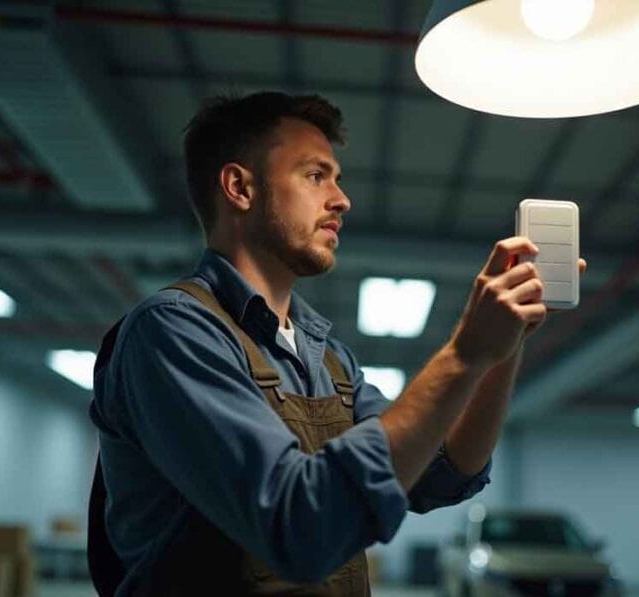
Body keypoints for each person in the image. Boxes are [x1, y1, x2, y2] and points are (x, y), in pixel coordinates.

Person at [87, 91, 585, 595]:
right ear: (240, 187)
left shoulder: (328, 357)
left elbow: (443, 474)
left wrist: (504, 346)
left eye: (337, 180)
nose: (341, 200)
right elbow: (296, 529)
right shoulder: (173, 331)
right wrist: (463, 355)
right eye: (314, 175)